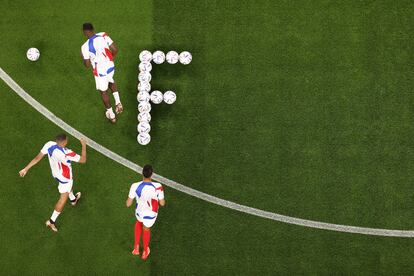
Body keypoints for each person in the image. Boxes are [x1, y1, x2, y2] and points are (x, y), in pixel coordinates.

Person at [19, 134, 87, 232]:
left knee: (68, 189)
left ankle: (73, 199)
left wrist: (25, 169)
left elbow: (37, 158)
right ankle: (51, 221)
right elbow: (83, 160)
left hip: (56, 175)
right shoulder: (67, 153)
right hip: (65, 179)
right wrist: (83, 145)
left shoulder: (49, 144)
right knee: (62, 200)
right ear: (64, 142)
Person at [81, 22, 123, 123]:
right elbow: (115, 49)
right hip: (110, 66)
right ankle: (118, 102)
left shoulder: (85, 47)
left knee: (103, 92)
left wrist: (85, 59)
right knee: (111, 81)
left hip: (100, 72)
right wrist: (110, 59)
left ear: (84, 32)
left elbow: (87, 65)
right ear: (93, 29)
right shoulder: (103, 35)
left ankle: (111, 115)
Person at [126, 165, 165, 260]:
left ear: (142, 173)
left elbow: (128, 204)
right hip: (151, 215)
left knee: (139, 222)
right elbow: (162, 203)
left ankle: (136, 248)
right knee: (146, 229)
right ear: (152, 174)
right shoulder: (158, 186)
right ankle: (145, 251)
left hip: (139, 213)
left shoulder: (135, 185)